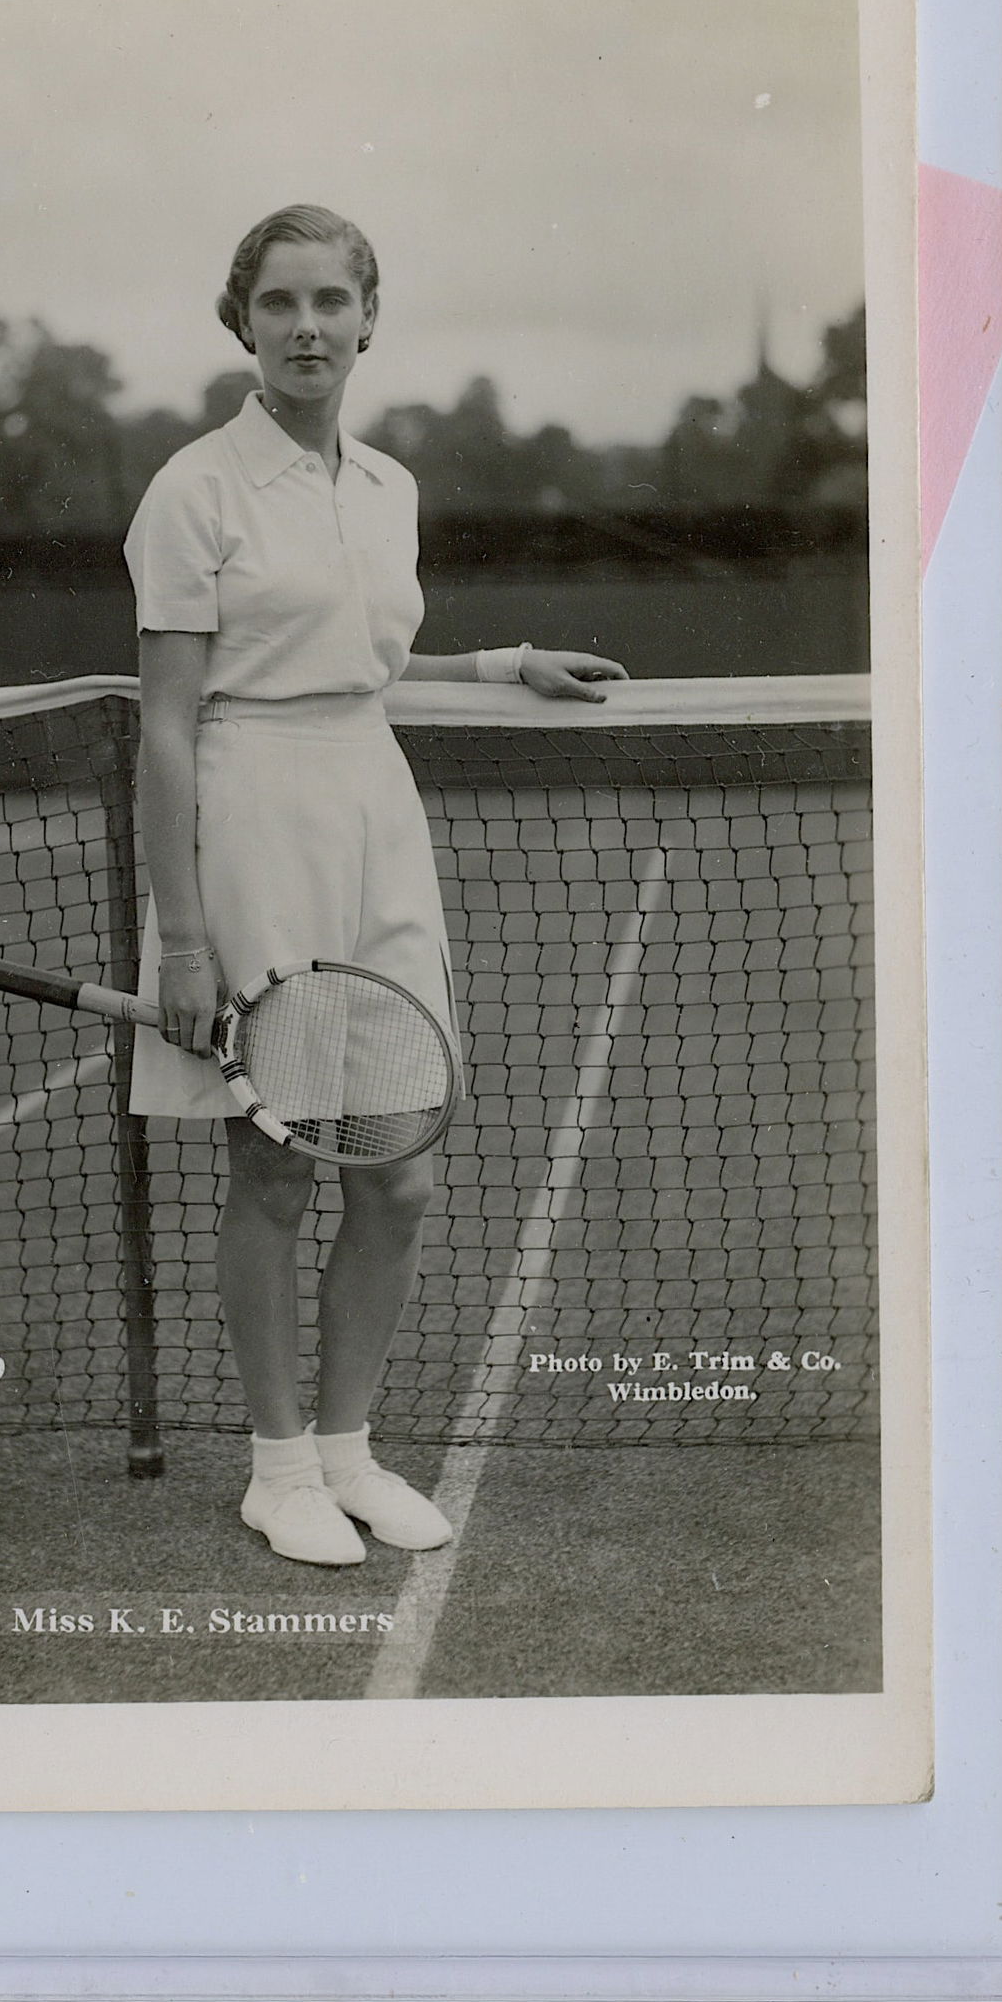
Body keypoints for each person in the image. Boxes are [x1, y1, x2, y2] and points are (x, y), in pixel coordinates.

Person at [125, 205, 626, 1566]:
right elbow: (171, 721)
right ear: (243, 320)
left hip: (375, 810)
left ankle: (348, 1451)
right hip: (251, 822)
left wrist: (503, 659)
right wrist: (181, 932)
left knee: (396, 1172)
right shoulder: (194, 490)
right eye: (279, 302)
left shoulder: (388, 487)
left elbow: (359, 664)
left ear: (367, 317)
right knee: (276, 1171)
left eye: (330, 301)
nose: (306, 327)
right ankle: (278, 1467)